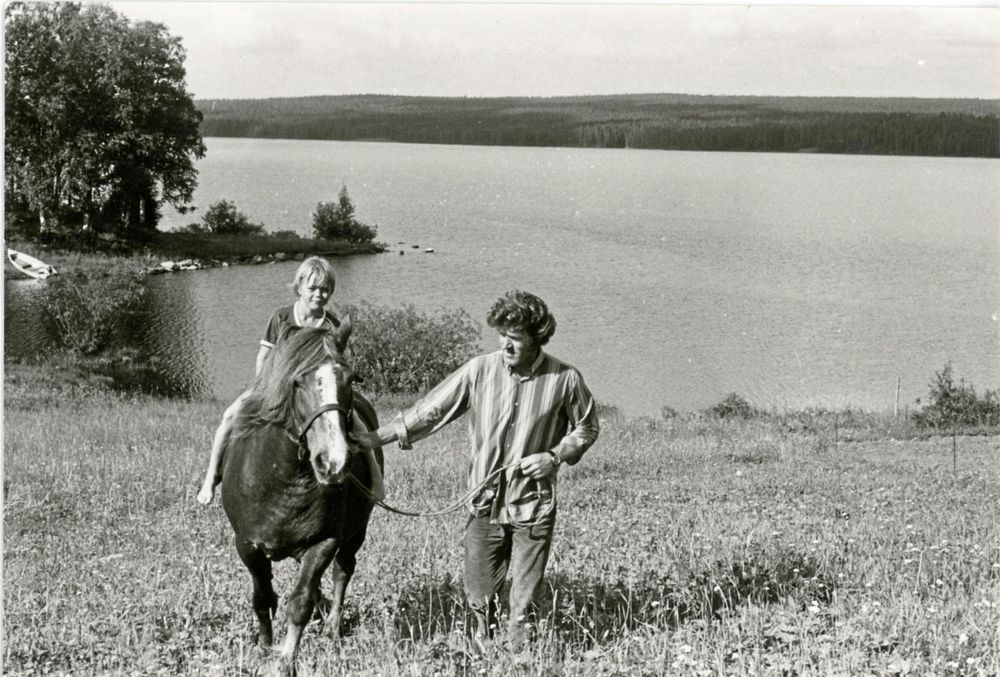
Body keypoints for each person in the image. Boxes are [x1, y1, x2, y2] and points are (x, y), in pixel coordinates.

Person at [354, 290, 599, 649]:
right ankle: (484, 652)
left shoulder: (565, 379)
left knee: (522, 603)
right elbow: (431, 411)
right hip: (483, 504)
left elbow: (588, 427)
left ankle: (518, 656)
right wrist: (373, 439)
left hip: (534, 505)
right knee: (479, 597)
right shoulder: (478, 370)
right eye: (502, 335)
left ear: (536, 338)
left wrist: (555, 456)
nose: (506, 345)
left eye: (515, 338)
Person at [196, 256, 385, 506]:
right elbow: (264, 357)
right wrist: (265, 387)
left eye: (325, 289)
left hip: (313, 391)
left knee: (359, 425)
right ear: (299, 288)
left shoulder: (331, 324)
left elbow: (335, 364)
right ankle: (211, 476)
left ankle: (375, 477)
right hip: (274, 384)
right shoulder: (282, 317)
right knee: (230, 417)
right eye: (313, 288)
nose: (319, 294)